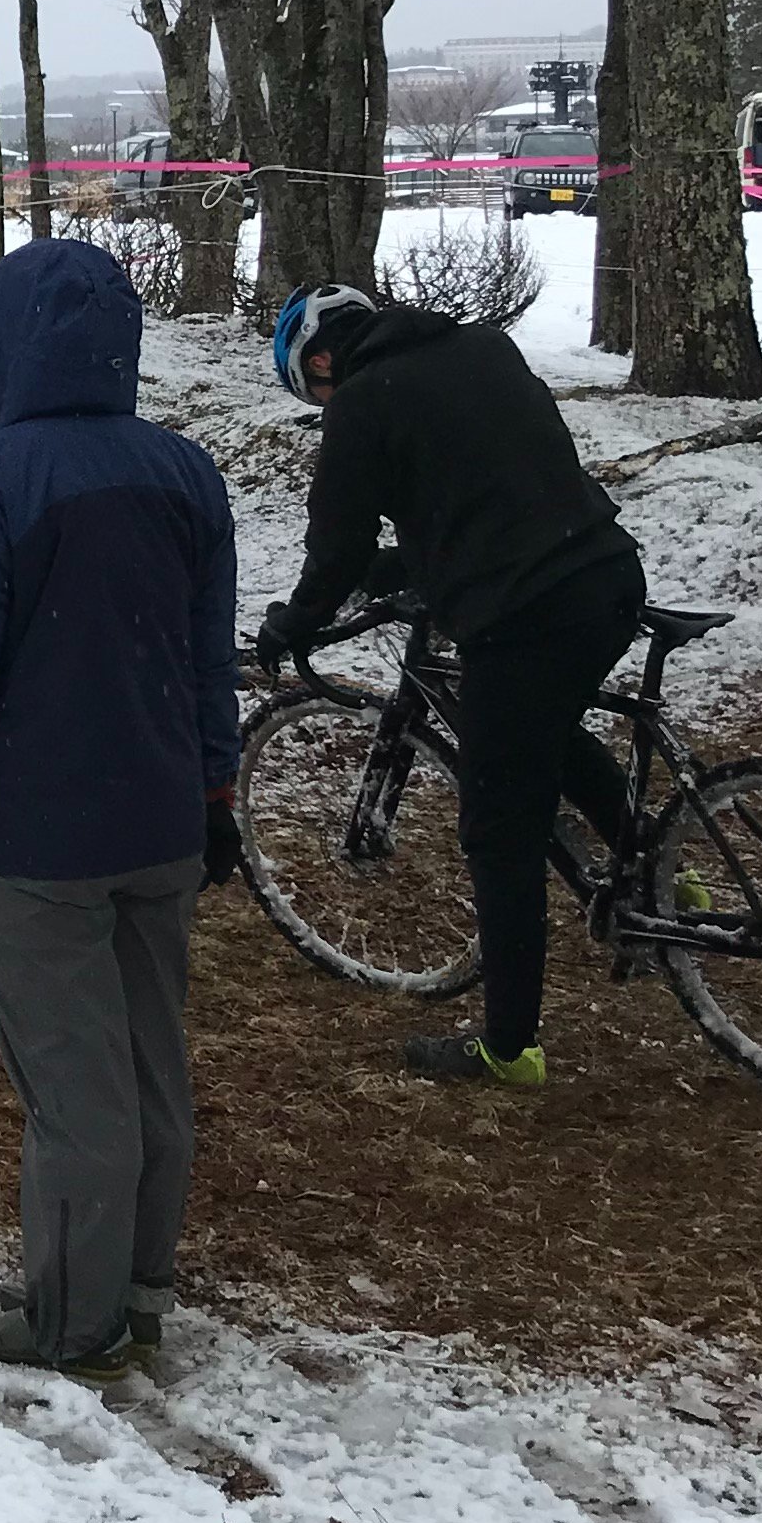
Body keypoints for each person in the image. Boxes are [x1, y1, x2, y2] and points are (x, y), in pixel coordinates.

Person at [0, 237, 240, 1385]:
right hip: (164, 823)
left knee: (74, 1087)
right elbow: (208, 661)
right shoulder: (188, 474)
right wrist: (217, 790)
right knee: (150, 1066)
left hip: (40, 842)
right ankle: (137, 1287)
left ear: (4, 349)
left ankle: (73, 1326)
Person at [252, 281, 647, 1090]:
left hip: (526, 613)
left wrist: (296, 622)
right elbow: (496, 484)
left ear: (321, 360)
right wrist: (409, 566)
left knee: (500, 829)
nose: (323, 401)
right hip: (605, 574)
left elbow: (336, 543)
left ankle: (509, 1048)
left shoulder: (362, 402)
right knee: (544, 730)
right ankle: (663, 865)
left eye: (314, 389)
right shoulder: (481, 346)